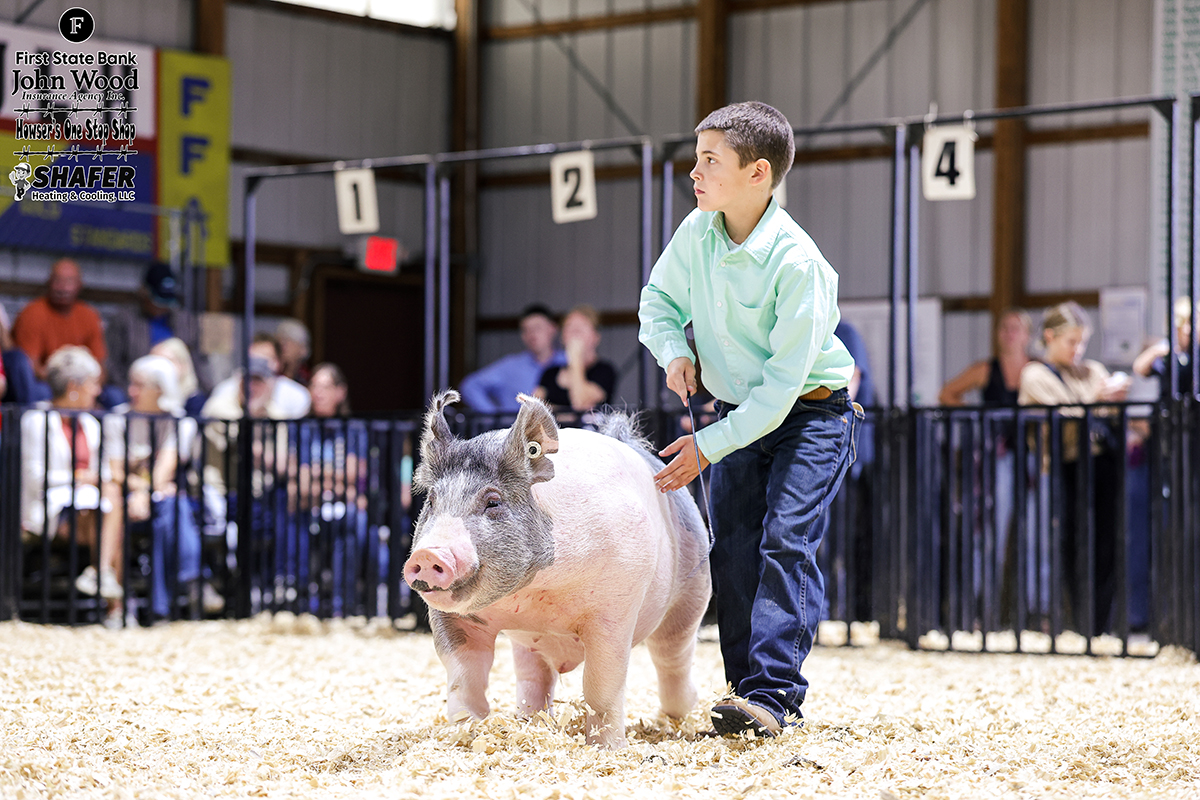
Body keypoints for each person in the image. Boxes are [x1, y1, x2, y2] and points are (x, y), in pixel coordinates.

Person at [639, 101, 858, 738]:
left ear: (758, 173)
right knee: (732, 549)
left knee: (785, 541)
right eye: (697, 158)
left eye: (710, 160)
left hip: (812, 417)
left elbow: (782, 390)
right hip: (739, 415)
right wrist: (675, 351)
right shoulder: (696, 232)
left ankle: (774, 696)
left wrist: (706, 446)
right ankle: (745, 697)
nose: (694, 172)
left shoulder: (800, 264)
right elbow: (658, 299)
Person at [1018, 302, 1130, 636]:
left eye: (1082, 342)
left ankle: (1101, 627)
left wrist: (1110, 402)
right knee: (1073, 544)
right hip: (1065, 468)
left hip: (1103, 464)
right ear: (1050, 337)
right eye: (1071, 341)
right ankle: (1079, 624)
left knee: (1108, 543)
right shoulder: (1035, 374)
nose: (1078, 349)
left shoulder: (1091, 370)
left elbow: (1103, 414)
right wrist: (1098, 401)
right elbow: (1066, 418)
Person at [77, 355, 201, 621]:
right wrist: (141, 490)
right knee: (138, 507)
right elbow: (116, 471)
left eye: (139, 385)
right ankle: (190, 585)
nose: (131, 390)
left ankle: (159, 605)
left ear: (160, 389)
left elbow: (164, 469)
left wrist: (144, 492)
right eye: (131, 383)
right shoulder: (117, 418)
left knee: (169, 509)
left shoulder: (180, 421)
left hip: (153, 498)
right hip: (123, 495)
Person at [20, 347, 105, 553]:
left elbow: (102, 472)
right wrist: (79, 478)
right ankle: (104, 570)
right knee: (101, 512)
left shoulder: (91, 424)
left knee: (111, 505)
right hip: (51, 505)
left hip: (91, 501)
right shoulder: (36, 420)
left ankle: (102, 569)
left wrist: (94, 480)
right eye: (92, 384)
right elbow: (35, 478)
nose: (97, 391)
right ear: (73, 386)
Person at [12, 259, 107, 384]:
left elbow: (100, 366)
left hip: (82, 383)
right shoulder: (32, 313)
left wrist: (90, 387)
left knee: (112, 394)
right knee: (41, 391)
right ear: (48, 282)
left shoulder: (90, 315)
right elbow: (29, 366)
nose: (63, 288)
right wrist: (63, 386)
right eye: (58, 281)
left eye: (69, 281)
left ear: (80, 285)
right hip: (45, 382)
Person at [459, 304, 565, 414]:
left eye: (537, 328)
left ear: (553, 328)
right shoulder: (510, 367)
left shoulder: (567, 363)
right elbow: (470, 386)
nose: (532, 334)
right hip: (517, 424)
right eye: (526, 330)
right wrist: (494, 418)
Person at [106, 262, 198, 390]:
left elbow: (197, 363)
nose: (163, 307)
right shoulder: (124, 320)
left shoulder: (186, 322)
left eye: (167, 301)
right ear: (144, 292)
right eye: (158, 301)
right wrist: (131, 390)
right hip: (133, 387)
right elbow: (111, 363)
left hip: (178, 389)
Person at [939, 309, 1033, 406]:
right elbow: (946, 394)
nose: (1009, 333)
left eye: (1015, 328)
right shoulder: (985, 370)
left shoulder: (1038, 368)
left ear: (1027, 335)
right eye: (1004, 327)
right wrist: (971, 413)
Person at [205, 333, 311, 419]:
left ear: (278, 362)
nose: (258, 365)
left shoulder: (296, 395)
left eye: (265, 359)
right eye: (253, 359)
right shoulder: (224, 390)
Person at [534, 304, 617, 414]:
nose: (574, 331)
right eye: (569, 327)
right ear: (562, 337)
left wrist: (575, 358)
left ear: (596, 337)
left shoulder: (604, 370)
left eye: (582, 326)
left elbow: (580, 403)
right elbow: (534, 408)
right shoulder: (550, 373)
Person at [1133, 297, 1193, 397]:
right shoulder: (1166, 348)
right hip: (1170, 403)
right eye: (1185, 323)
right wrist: (1156, 351)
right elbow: (1140, 369)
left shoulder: (1195, 352)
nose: (1188, 330)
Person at [150, 337, 208, 418]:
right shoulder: (144, 399)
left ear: (183, 364)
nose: (161, 368)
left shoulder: (195, 401)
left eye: (168, 361)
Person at [275, 319, 312, 384]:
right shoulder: (273, 373)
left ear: (302, 349)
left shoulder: (307, 378)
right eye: (280, 341)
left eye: (287, 341)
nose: (282, 346)